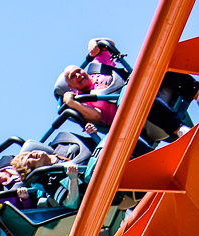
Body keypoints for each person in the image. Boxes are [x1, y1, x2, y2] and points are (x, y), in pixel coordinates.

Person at [62, 38, 197, 138]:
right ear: (70, 86)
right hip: (131, 111)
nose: (78, 75)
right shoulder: (83, 101)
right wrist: (72, 103)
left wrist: (93, 42)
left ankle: (197, 93)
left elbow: (107, 45)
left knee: (160, 63)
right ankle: (179, 129)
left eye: (78, 71)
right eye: (73, 76)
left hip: (141, 86)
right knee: (139, 98)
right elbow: (96, 116)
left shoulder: (97, 67)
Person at [10, 151, 80, 207]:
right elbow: (71, 204)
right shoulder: (50, 181)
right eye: (29, 161)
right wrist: (73, 179)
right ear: (32, 170)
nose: (31, 154)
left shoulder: (60, 148)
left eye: (28, 154)